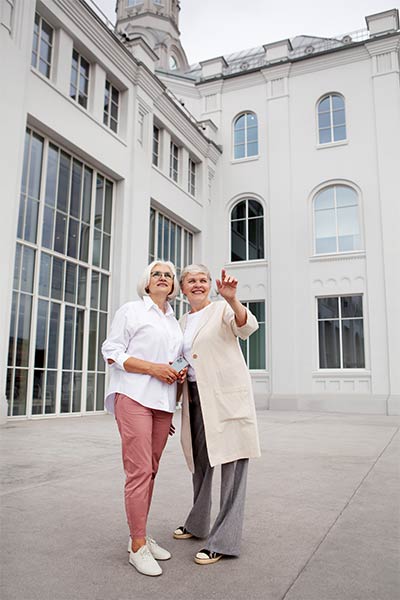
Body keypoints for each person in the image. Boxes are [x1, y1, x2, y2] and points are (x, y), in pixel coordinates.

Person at [102, 260, 185, 577]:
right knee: (138, 472)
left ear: (173, 285)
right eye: (157, 274)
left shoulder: (173, 321)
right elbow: (111, 351)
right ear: (146, 283)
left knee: (151, 471)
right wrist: (153, 368)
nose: (163, 278)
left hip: (162, 406)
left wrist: (175, 378)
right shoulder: (131, 311)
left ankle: (140, 533)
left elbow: (172, 362)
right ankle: (137, 546)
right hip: (133, 396)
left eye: (168, 275)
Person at [173, 264, 261, 565]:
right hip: (195, 399)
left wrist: (233, 299)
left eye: (203, 280)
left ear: (211, 285)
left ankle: (224, 541)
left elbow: (247, 327)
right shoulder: (182, 320)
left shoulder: (222, 309)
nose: (197, 284)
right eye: (191, 280)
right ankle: (198, 524)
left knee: (232, 467)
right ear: (182, 288)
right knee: (199, 463)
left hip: (225, 398)